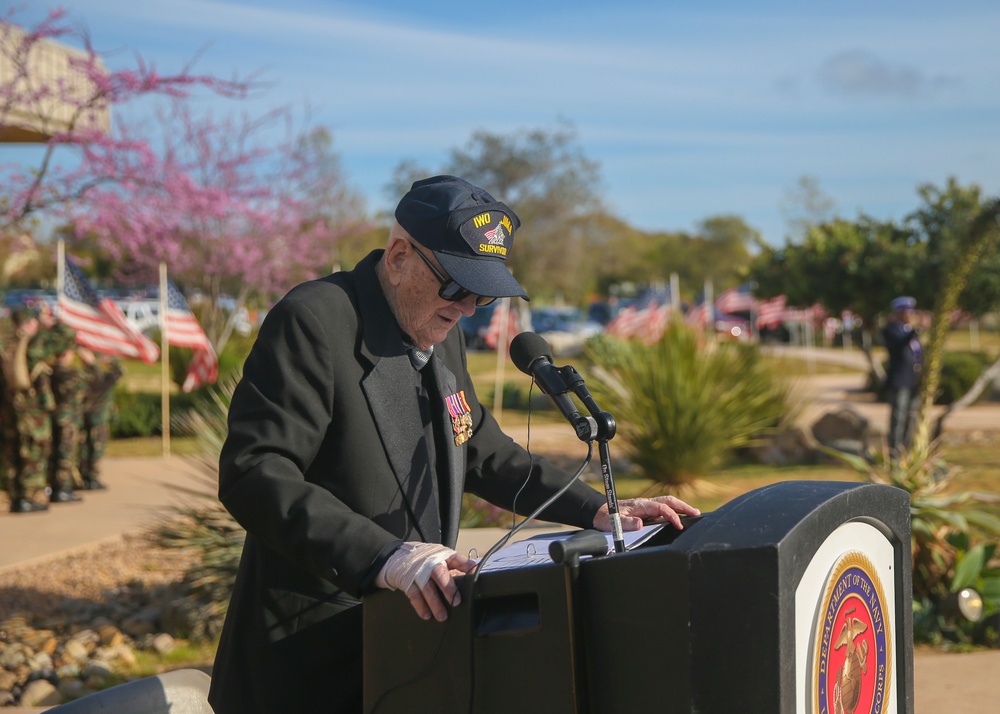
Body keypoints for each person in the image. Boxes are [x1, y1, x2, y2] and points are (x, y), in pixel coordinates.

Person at [209, 175, 701, 713]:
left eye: (483, 293)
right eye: (456, 287)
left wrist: (601, 510)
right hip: (311, 661)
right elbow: (254, 472)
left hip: (409, 654)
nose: (469, 308)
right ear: (399, 257)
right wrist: (385, 556)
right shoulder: (315, 321)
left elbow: (485, 451)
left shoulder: (442, 332)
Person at [3, 306, 54, 512]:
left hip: (8, 411)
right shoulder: (31, 348)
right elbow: (66, 337)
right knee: (31, 454)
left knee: (12, 453)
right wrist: (47, 323)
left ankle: (16, 497)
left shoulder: (6, 346)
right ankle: (26, 497)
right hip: (31, 414)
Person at [883, 296, 922, 455]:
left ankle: (906, 448)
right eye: (905, 311)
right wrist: (913, 332)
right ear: (897, 313)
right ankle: (894, 450)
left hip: (914, 380)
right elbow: (897, 346)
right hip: (900, 380)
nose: (909, 314)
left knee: (911, 416)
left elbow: (918, 354)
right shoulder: (891, 329)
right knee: (898, 417)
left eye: (910, 311)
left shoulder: (909, 331)